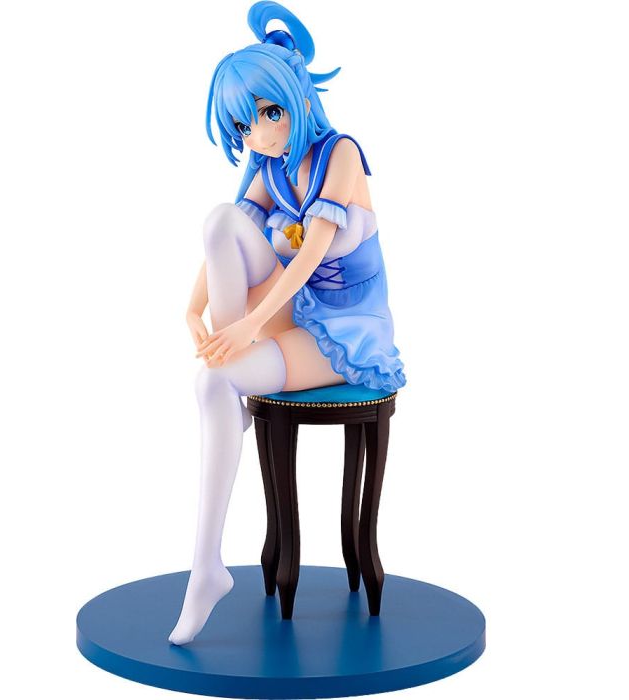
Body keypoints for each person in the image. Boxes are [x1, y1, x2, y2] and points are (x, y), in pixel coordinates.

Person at [168, 0, 406, 646]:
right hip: (289, 319)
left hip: (346, 333)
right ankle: (206, 567)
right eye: (244, 124)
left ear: (298, 98)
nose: (259, 133)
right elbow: (228, 235)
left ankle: (204, 569)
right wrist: (192, 309)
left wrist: (248, 327)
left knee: (213, 383)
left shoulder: (340, 154)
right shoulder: (269, 167)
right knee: (220, 219)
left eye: (268, 113)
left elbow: (307, 257)